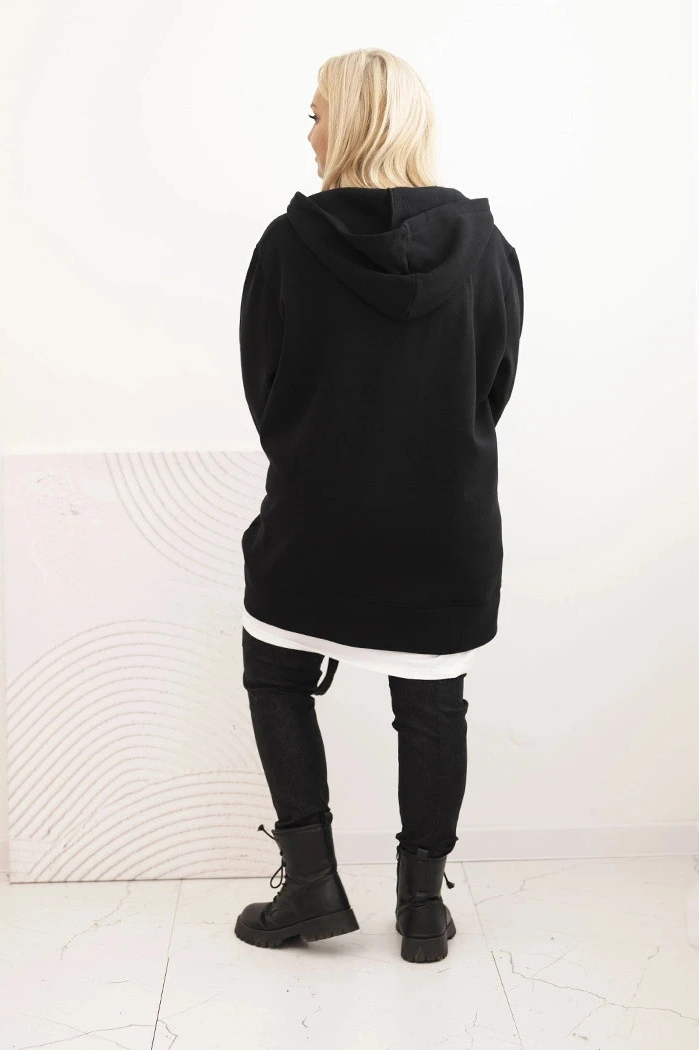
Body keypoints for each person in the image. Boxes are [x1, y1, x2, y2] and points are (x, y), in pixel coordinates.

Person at [234, 48, 523, 964]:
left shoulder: (288, 247)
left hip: (317, 523)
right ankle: (423, 907)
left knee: (275, 672)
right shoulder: (488, 250)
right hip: (447, 528)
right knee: (434, 705)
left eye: (318, 114)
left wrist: (324, 462)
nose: (309, 133)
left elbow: (265, 388)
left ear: (354, 123)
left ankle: (311, 887)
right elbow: (492, 387)